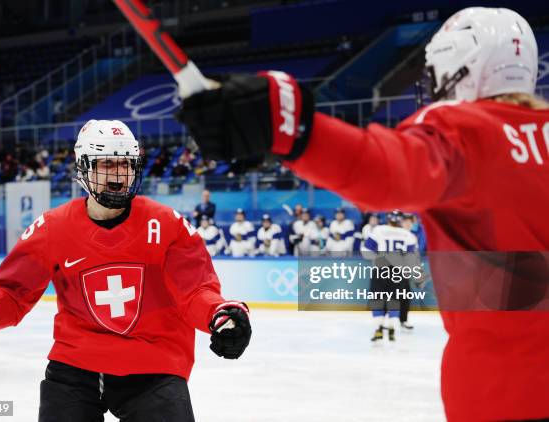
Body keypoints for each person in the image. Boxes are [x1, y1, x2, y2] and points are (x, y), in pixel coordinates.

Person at [178, 7, 549, 421]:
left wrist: (291, 129)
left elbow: (386, 174)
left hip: (504, 389)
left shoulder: (463, 128)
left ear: (459, 68)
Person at [0, 120, 252, 422]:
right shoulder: (54, 227)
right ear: (83, 168)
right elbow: (13, 291)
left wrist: (219, 314)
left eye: (126, 164)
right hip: (75, 365)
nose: (119, 174)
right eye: (107, 163)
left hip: (152, 364)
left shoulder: (167, 224)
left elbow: (196, 290)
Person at [361, 210, 418, 341]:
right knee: (394, 300)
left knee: (378, 299)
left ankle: (378, 329)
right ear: (400, 220)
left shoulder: (378, 230)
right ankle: (392, 328)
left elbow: (366, 251)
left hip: (381, 268)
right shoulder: (407, 234)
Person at [399, 213, 420, 330]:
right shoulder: (396, 234)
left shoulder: (412, 237)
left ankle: (403, 320)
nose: (407, 224)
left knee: (405, 295)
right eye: (405, 221)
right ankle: (384, 321)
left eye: (409, 222)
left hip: (404, 270)